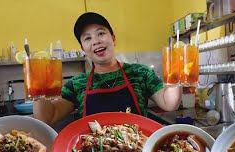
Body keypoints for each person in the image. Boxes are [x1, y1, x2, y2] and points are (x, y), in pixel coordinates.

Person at [33, 12, 182, 124]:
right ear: (83, 48)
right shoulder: (77, 84)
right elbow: (48, 116)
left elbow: (169, 103)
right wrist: (38, 89)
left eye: (101, 33)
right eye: (87, 38)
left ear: (113, 38)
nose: (96, 41)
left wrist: (179, 69)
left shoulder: (139, 73)